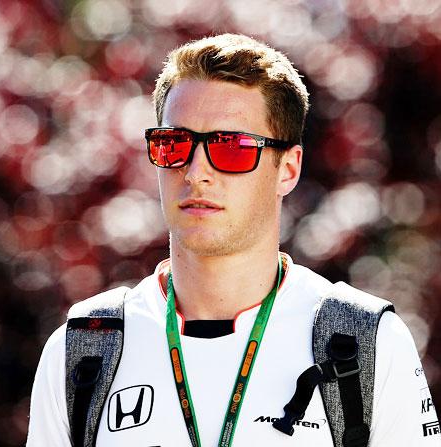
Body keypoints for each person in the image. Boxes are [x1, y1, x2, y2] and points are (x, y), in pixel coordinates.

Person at [26, 33, 439, 446]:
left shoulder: (367, 341)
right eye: (174, 144)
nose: (195, 172)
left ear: (288, 170)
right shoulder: (83, 348)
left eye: (232, 147)